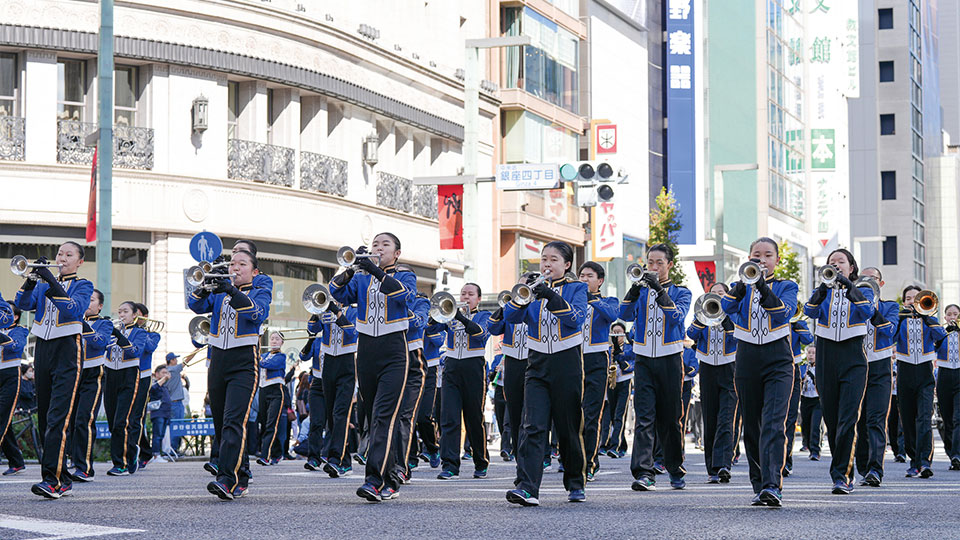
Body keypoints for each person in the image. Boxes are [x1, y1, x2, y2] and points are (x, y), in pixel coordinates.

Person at [329, 233, 417, 502]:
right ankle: (391, 479)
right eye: (375, 245)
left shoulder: (405, 275)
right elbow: (336, 291)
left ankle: (374, 480)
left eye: (385, 245)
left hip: (394, 350)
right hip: (366, 350)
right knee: (372, 417)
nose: (378, 248)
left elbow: (405, 297)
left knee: (383, 416)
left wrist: (376, 271)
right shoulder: (362, 277)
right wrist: (350, 268)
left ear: (397, 253)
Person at [503, 241, 588, 507]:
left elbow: (575, 318)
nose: (547, 264)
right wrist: (523, 297)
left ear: (567, 264)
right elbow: (511, 318)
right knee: (532, 425)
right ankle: (527, 487)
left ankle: (575, 481)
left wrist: (550, 295)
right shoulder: (532, 290)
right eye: (543, 259)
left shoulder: (577, 288)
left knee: (568, 426)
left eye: (553, 260)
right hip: (537, 362)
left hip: (567, 362)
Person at [189, 248, 272, 500]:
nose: (235, 268)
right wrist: (207, 285)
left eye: (242, 264)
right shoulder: (219, 291)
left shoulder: (259, 290)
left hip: (244, 359)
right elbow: (194, 304)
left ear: (254, 271)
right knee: (220, 422)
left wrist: (231, 290)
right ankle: (241, 473)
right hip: (218, 358)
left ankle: (227, 479)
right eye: (232, 264)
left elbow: (257, 314)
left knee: (234, 420)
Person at [721, 237, 798, 507]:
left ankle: (772, 485)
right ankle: (758, 483)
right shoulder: (739, 287)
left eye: (767, 255)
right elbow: (725, 309)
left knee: (774, 423)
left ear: (777, 260)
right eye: (756, 255)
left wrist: (763, 286)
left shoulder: (788, 286)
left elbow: (782, 314)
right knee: (751, 425)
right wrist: (744, 283)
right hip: (746, 357)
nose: (762, 260)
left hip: (778, 358)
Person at [15, 242, 94, 499]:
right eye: (60, 253)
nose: (62, 258)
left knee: (58, 417)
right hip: (43, 348)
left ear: (79, 261)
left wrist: (51, 281)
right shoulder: (42, 283)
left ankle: (52, 480)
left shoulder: (84, 285)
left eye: (69, 255)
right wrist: (30, 281)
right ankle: (62, 477)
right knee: (46, 416)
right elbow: (22, 303)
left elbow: (73, 310)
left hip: (68, 348)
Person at [620, 243, 691, 493]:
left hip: (670, 358)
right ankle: (644, 472)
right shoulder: (640, 291)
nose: (653, 267)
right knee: (644, 416)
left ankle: (674, 466)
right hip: (643, 359)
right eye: (650, 262)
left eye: (659, 263)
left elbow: (677, 317)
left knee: (670, 419)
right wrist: (634, 287)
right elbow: (624, 314)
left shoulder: (682, 292)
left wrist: (659, 289)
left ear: (669, 265)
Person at [804, 248, 875, 494]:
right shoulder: (822, 291)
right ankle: (842, 468)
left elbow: (868, 312)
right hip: (825, 354)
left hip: (853, 355)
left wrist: (847, 286)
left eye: (840, 261)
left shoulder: (863, 289)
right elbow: (809, 311)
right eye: (832, 262)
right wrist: (823, 290)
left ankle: (842, 476)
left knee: (848, 418)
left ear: (851, 267)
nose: (835, 265)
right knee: (832, 419)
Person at [437, 283, 492, 481]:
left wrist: (458, 316)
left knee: (473, 417)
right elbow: (433, 327)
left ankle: (481, 461)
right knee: (449, 417)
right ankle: (450, 465)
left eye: (470, 294)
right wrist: (435, 314)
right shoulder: (450, 315)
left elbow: (481, 334)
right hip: (451, 366)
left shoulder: (484, 315)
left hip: (473, 366)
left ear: (478, 298)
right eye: (463, 293)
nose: (466, 297)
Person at [687, 282, 738, 484]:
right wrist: (703, 318)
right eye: (714, 294)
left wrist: (724, 317)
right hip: (707, 367)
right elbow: (691, 334)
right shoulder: (702, 314)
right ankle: (712, 468)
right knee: (710, 418)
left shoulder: (733, 315)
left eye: (721, 294)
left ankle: (723, 464)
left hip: (730, 366)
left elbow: (736, 337)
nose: (717, 297)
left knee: (726, 417)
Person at [895, 285, 945, 479]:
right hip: (905, 371)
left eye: (915, 297)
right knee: (907, 421)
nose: (911, 301)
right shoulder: (900, 319)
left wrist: (926, 316)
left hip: (924, 372)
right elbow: (889, 337)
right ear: (904, 301)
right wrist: (899, 318)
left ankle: (925, 462)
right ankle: (914, 460)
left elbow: (941, 336)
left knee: (924, 418)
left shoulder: (929, 320)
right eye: (908, 298)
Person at [854, 267, 899, 486]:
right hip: (857, 365)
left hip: (880, 366)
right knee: (859, 420)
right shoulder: (853, 305)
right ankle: (862, 466)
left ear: (880, 284)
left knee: (876, 418)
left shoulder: (891, 306)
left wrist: (871, 308)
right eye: (864, 279)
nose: (868, 282)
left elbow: (889, 331)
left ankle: (875, 469)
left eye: (873, 279)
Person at [577, 262, 620, 481]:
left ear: (599, 281)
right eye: (581, 276)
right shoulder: (572, 301)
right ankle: (575, 460)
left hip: (596, 358)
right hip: (573, 357)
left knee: (592, 413)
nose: (584, 279)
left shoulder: (607, 301)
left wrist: (591, 299)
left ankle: (591, 462)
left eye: (589, 276)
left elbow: (612, 315)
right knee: (573, 413)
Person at [310, 297, 359, 477]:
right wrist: (317, 311)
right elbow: (312, 329)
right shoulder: (325, 312)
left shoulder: (354, 310)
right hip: (328, 362)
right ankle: (345, 462)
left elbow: (352, 333)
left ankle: (334, 458)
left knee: (341, 413)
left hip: (347, 361)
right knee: (331, 415)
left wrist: (337, 312)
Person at [69, 290, 112, 481]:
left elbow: (99, 342)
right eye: (85, 300)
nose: (87, 303)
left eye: (92, 300)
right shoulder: (73, 322)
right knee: (70, 422)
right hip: (73, 372)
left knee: (84, 420)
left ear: (100, 306)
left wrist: (82, 324)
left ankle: (85, 468)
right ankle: (70, 461)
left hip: (93, 372)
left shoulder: (105, 323)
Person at [103, 301, 148, 477]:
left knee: (122, 421)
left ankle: (120, 463)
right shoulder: (112, 331)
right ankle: (130, 452)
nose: (121, 315)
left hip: (129, 374)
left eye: (125, 311)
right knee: (112, 421)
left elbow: (134, 351)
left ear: (134, 314)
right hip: (110, 374)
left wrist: (118, 336)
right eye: (119, 311)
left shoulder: (140, 332)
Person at [393, 292, 431, 483]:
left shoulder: (420, 301)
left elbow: (418, 322)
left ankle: (402, 466)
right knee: (383, 415)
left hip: (412, 359)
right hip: (388, 357)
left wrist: (398, 304)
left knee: (405, 416)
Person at [411, 303, 445, 469]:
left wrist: (429, 323)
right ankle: (410, 455)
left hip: (430, 369)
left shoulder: (436, 324)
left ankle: (432, 448)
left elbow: (438, 342)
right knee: (408, 414)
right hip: (411, 365)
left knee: (424, 415)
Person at [783, 311, 814, 476]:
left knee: (790, 417)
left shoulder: (797, 325)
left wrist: (797, 323)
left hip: (792, 369)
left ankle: (786, 461)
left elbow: (809, 339)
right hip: (772, 366)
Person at [132, 303, 162, 471]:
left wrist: (139, 333)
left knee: (138, 417)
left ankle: (144, 452)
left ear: (142, 315)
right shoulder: (126, 331)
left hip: (142, 376)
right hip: (125, 375)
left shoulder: (152, 334)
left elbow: (149, 347)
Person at [0, 300, 26, 476]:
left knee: (1, 414)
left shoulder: (20, 330)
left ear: (15, 316)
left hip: (10, 375)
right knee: (4, 420)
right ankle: (16, 461)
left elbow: (16, 346)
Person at [601, 323, 633, 458]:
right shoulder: (608, 349)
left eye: (619, 332)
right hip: (611, 383)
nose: (616, 335)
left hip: (625, 382)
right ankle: (620, 444)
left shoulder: (629, 348)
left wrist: (619, 355)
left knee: (620, 415)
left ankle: (615, 446)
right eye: (614, 332)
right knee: (612, 416)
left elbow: (630, 366)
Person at [936, 304, 960, 470]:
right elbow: (932, 346)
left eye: (956, 314)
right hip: (944, 374)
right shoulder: (940, 332)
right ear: (945, 317)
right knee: (947, 417)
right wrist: (944, 333)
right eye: (949, 314)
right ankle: (951, 452)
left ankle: (957, 454)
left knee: (958, 418)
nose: (952, 317)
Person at [257, 332, 287, 466]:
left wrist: (258, 359)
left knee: (271, 424)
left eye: (277, 339)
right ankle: (277, 453)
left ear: (282, 342)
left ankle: (266, 456)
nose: (274, 341)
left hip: (276, 391)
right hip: (263, 390)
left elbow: (267, 364)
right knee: (265, 423)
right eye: (272, 339)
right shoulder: (263, 355)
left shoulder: (281, 356)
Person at [799, 345, 822, 460]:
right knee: (805, 424)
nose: (811, 355)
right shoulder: (803, 367)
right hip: (805, 398)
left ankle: (815, 450)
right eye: (809, 353)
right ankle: (806, 443)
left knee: (815, 425)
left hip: (817, 400)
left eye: (813, 353)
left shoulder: (821, 368)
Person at [149, 365, 173, 462]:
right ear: (157, 374)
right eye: (163, 373)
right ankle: (155, 455)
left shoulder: (164, 386)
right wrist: (164, 378)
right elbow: (153, 389)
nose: (166, 375)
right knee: (157, 435)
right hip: (158, 414)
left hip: (166, 414)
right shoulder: (155, 383)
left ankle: (158, 454)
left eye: (166, 373)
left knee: (161, 435)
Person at [164, 352, 188, 452]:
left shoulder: (166, 371)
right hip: (176, 403)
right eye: (175, 359)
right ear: (171, 361)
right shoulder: (173, 369)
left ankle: (174, 449)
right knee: (177, 427)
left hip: (173, 403)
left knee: (176, 427)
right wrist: (198, 348)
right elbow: (186, 361)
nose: (177, 361)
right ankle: (173, 450)